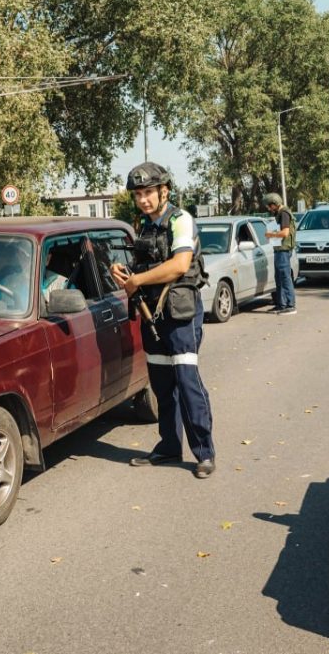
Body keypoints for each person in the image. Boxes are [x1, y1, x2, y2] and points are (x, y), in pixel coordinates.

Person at [110, 161, 216, 479]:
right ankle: (169, 447)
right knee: (161, 384)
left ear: (164, 191)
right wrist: (121, 273)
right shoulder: (142, 225)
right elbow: (139, 266)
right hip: (151, 313)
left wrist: (136, 282)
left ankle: (204, 453)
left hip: (181, 314)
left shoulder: (181, 220)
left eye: (148, 193)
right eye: (138, 194)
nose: (143, 199)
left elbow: (180, 265)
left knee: (187, 382)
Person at [263, 193, 296, 315]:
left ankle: (290, 305)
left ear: (274, 204)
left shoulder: (284, 213)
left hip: (283, 249)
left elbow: (285, 233)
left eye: (269, 206)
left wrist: (271, 235)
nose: (268, 208)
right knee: (279, 277)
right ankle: (281, 304)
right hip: (279, 249)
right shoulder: (279, 213)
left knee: (285, 277)